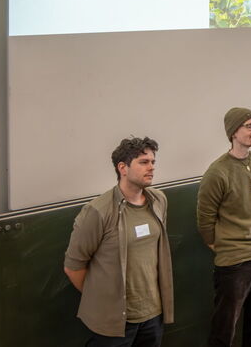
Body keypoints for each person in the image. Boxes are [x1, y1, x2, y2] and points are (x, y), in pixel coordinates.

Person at [64, 137, 173, 347]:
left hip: (153, 314)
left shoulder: (158, 201)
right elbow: (73, 267)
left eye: (153, 162)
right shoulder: (98, 211)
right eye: (143, 162)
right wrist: (105, 301)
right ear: (122, 167)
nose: (151, 167)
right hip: (114, 321)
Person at [197, 108, 251, 347]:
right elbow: (205, 218)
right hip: (235, 261)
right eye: (249, 126)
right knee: (225, 327)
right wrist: (220, 244)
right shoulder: (217, 172)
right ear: (233, 132)